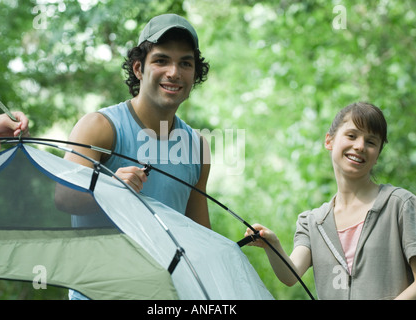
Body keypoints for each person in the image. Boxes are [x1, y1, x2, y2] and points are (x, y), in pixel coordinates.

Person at [245, 102, 416, 300]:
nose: (360, 146)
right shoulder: (312, 222)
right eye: (351, 136)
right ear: (329, 141)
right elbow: (291, 275)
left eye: (371, 142)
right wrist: (271, 243)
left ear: (377, 155)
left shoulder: (401, 205)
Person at [62, 14, 212, 229]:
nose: (174, 72)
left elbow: (201, 234)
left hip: (163, 265)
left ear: (195, 73)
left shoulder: (197, 148)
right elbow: (64, 197)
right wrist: (110, 189)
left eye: (185, 63)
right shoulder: (99, 127)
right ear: (138, 69)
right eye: (161, 60)